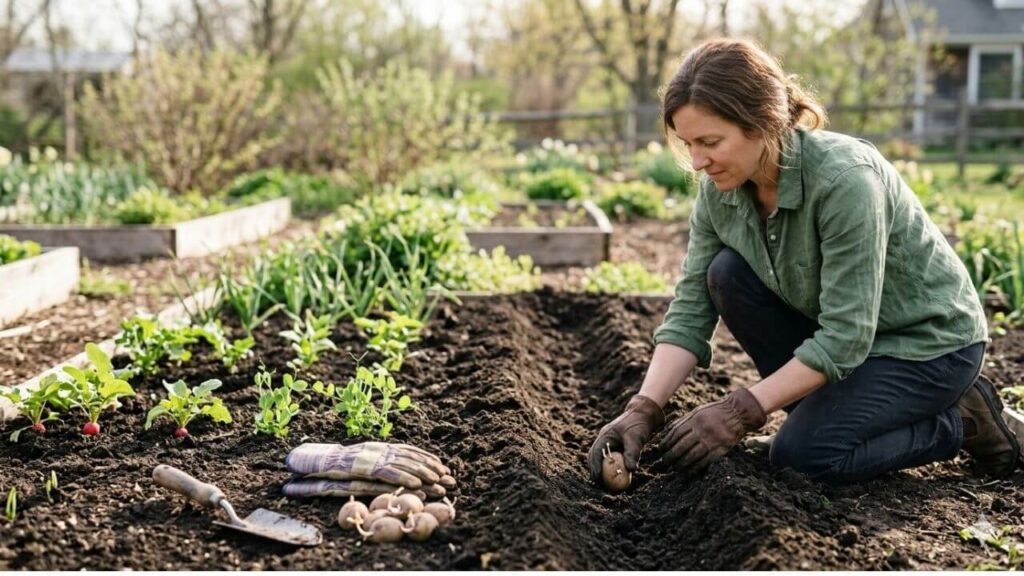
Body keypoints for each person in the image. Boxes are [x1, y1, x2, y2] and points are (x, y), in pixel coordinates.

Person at [588, 38, 1020, 486]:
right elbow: (692, 306)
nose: (697, 161)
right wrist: (643, 409)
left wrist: (740, 412)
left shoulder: (845, 181)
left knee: (804, 457)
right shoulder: (721, 193)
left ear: (761, 123)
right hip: (847, 344)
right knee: (726, 275)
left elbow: (846, 334)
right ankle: (822, 417)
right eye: (688, 143)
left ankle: (962, 421)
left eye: (710, 141)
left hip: (927, 346)